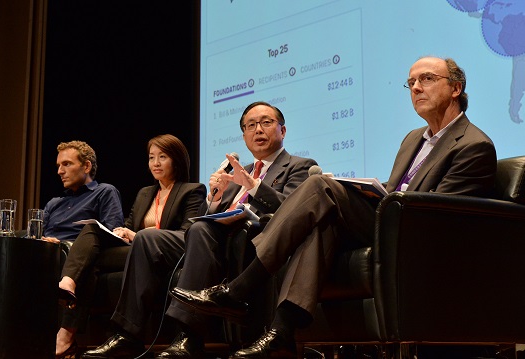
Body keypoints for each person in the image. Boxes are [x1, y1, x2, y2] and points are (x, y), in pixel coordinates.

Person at [170, 56, 498, 358]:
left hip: (414, 232)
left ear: (455, 88)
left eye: (426, 79)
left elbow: (440, 216)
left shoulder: (473, 145)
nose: (415, 87)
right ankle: (280, 332)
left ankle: (242, 286)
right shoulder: (414, 138)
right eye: (410, 82)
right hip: (387, 218)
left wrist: (380, 199)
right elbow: (400, 188)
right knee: (320, 224)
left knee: (318, 184)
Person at [82, 101, 318, 358]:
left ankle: (188, 336)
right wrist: (215, 198)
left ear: (282, 131)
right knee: (148, 238)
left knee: (200, 232)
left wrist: (253, 187)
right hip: (213, 240)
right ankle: (127, 335)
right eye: (250, 125)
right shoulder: (241, 171)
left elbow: (292, 212)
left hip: (254, 242)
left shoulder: (299, 166)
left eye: (266, 123)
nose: (258, 130)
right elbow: (209, 218)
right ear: (244, 136)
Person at [56, 134, 206, 358]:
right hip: (136, 250)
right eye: (151, 157)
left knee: (135, 242)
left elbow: (188, 234)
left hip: (168, 254)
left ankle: (123, 334)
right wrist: (122, 232)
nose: (155, 163)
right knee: (92, 230)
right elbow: (128, 225)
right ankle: (68, 285)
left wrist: (137, 235)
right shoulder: (145, 193)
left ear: (176, 160)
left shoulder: (192, 190)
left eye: (162, 157)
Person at [0, 140, 124, 245]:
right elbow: (32, 235)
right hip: (37, 248)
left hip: (65, 253)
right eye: (58, 166)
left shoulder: (104, 192)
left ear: (86, 167)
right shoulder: (55, 202)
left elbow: (114, 235)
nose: (59, 171)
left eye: (66, 164)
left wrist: (63, 244)